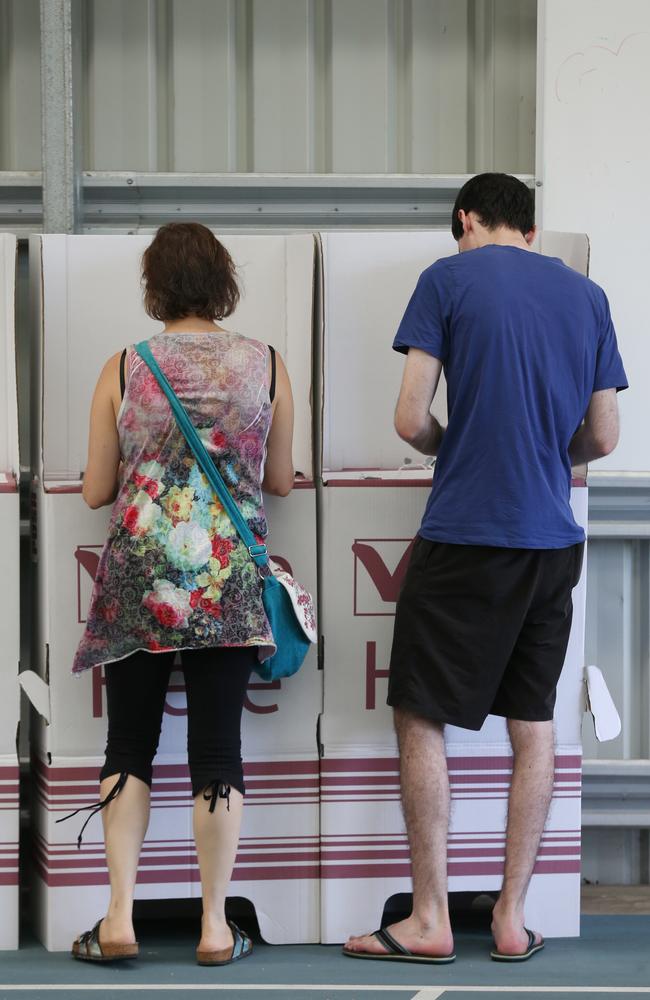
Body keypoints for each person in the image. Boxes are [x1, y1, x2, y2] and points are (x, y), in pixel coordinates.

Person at [344, 173, 627, 964]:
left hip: (466, 532)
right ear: (530, 229)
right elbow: (604, 438)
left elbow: (408, 417)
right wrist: (546, 455)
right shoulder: (587, 297)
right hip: (550, 543)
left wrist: (451, 446)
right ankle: (510, 917)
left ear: (466, 219)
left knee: (421, 714)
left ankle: (429, 918)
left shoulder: (446, 280)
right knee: (531, 723)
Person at [66, 222, 294, 965]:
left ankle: (120, 920)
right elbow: (283, 481)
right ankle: (215, 927)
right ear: (223, 282)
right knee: (218, 749)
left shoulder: (125, 366)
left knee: (128, 744)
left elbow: (99, 487)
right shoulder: (266, 364)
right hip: (226, 583)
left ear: (155, 286)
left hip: (139, 583)